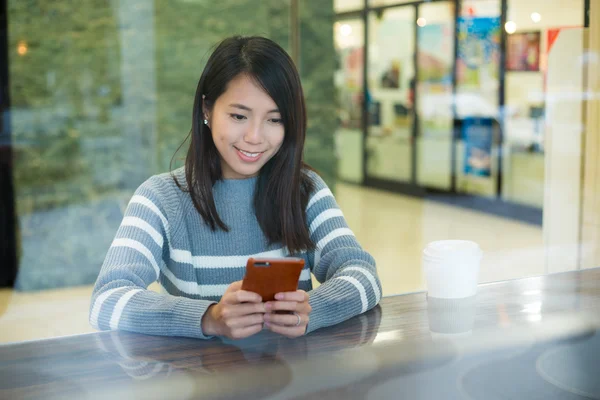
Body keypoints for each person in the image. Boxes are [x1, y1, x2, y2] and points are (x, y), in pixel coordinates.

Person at [89, 36, 381, 340]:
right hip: (199, 381)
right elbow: (107, 300)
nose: (255, 137)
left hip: (292, 378)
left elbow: (363, 276)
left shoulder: (304, 192)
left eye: (275, 119)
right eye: (239, 116)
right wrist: (209, 318)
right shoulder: (160, 198)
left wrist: (314, 310)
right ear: (207, 110)